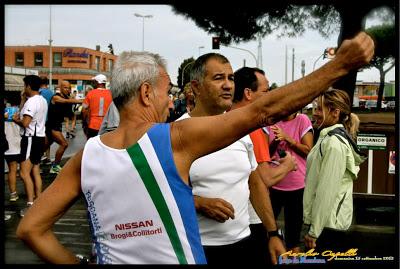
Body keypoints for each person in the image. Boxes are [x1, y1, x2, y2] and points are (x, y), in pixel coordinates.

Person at [16, 32, 374, 264]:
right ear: (144, 93)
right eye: (164, 89)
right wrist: (339, 65)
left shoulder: (86, 156)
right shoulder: (173, 138)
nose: (167, 98)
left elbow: (30, 229)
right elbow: (263, 110)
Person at [176, 55, 294, 265]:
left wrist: (272, 232)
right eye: (218, 78)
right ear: (196, 86)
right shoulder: (175, 133)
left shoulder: (242, 131)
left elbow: (255, 181)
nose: (228, 85)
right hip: (196, 248)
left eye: (231, 78)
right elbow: (159, 190)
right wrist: (198, 203)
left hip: (242, 244)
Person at [231, 66, 301, 265]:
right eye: (266, 91)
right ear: (248, 93)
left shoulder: (225, 121)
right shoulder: (253, 126)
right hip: (252, 218)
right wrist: (288, 165)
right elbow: (264, 178)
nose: (269, 96)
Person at [303, 89, 366, 253]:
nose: (314, 113)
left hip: (328, 227)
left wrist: (314, 231)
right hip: (325, 224)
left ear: (335, 112)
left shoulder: (334, 143)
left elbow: (327, 190)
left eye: (318, 109)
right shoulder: (326, 137)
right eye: (314, 108)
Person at [266, 110, 314, 253]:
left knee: (293, 239)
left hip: (296, 186)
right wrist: (276, 140)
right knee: (268, 232)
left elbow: (308, 151)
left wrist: (287, 138)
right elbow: (267, 153)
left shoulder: (303, 120)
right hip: (274, 183)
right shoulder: (272, 121)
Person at [12, 75, 48, 217]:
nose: (23, 88)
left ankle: (30, 205)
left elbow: (25, 123)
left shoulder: (32, 102)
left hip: (30, 139)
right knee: (35, 170)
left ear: (28, 86)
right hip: (39, 137)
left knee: (24, 173)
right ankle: (39, 202)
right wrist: (22, 99)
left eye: (24, 85)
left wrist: (15, 121)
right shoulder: (42, 100)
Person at [44, 81, 83, 174]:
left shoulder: (67, 98)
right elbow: (66, 101)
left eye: (69, 88)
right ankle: (55, 166)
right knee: (64, 144)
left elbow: (69, 114)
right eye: (65, 88)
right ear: (60, 88)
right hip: (51, 126)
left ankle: (31, 164)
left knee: (43, 147)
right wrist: (81, 100)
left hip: (57, 126)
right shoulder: (56, 97)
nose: (68, 90)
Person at [82, 74, 112, 139]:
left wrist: (84, 121)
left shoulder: (90, 93)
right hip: (107, 125)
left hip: (93, 125)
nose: (93, 83)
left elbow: (84, 109)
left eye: (94, 82)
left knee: (92, 146)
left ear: (98, 82)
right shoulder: (111, 94)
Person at [4, 97, 22, 202]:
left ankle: (13, 194)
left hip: (8, 145)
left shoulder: (5, 114)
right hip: (19, 143)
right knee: (26, 170)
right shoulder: (20, 112)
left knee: (12, 169)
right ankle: (32, 193)